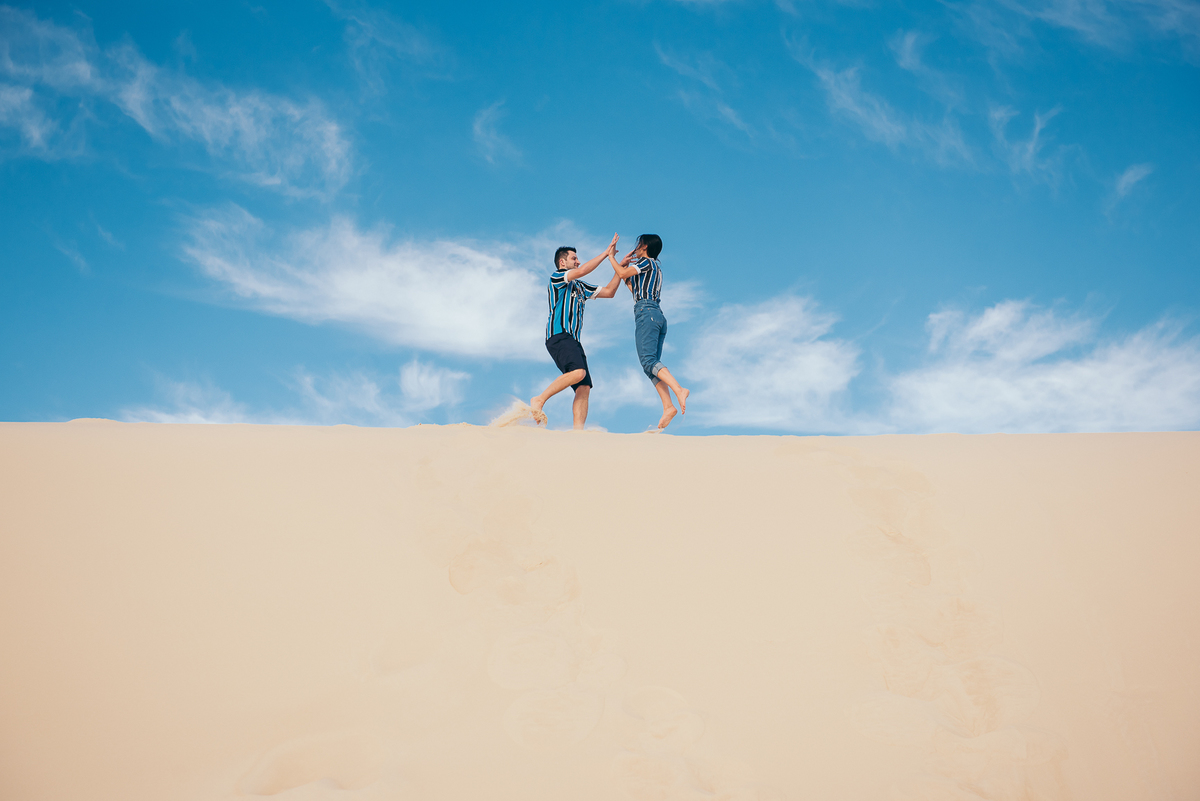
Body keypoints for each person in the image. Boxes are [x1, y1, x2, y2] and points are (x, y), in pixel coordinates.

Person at [530, 235, 623, 429]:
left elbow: (609, 292)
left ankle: (578, 433)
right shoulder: (557, 278)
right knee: (578, 372)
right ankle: (539, 399)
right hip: (559, 335)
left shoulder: (580, 287)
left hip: (573, 340)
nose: (578, 261)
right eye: (574, 258)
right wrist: (606, 254)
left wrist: (620, 269)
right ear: (562, 262)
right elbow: (581, 271)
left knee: (584, 387)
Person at [608, 233, 690, 430]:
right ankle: (668, 407)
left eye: (638, 244)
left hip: (647, 313)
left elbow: (622, 275)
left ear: (644, 246)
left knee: (649, 361)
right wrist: (625, 266)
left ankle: (679, 389)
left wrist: (612, 257)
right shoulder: (655, 269)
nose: (636, 247)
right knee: (650, 365)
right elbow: (631, 287)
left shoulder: (647, 263)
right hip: (655, 314)